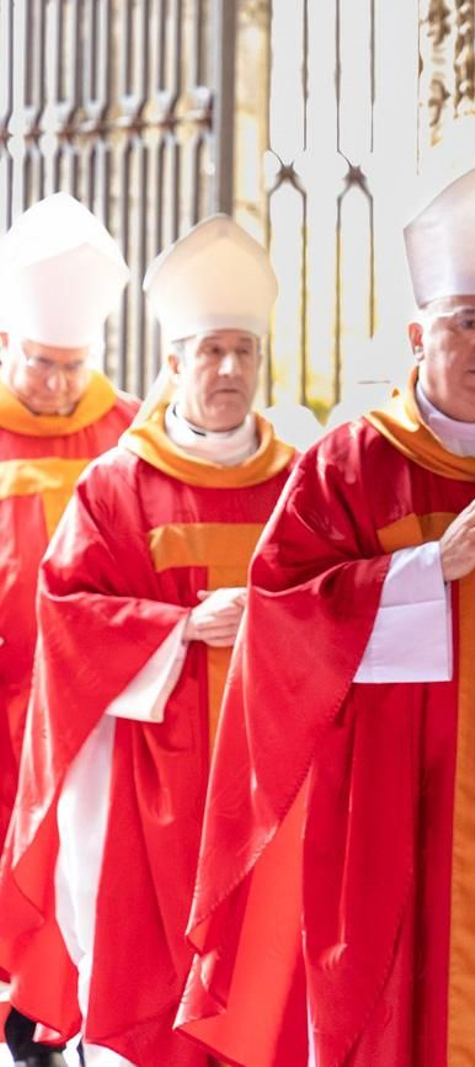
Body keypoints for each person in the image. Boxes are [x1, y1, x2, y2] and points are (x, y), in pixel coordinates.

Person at [179, 158, 475, 1067]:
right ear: (416, 334)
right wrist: (431, 569)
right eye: (465, 323)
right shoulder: (349, 466)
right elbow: (283, 614)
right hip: (389, 818)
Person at [0, 215, 293, 1066]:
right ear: (175, 362)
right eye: (210, 350)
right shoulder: (125, 481)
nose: (230, 370)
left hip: (256, 769)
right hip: (138, 759)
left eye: (245, 350)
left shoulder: (298, 479)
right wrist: (179, 632)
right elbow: (71, 604)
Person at [0, 193, 138, 1067]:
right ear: (8, 341)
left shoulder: (130, 434)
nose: (55, 382)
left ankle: (47, 1027)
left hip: (86, 711)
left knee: (70, 873)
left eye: (72, 364)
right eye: (41, 362)